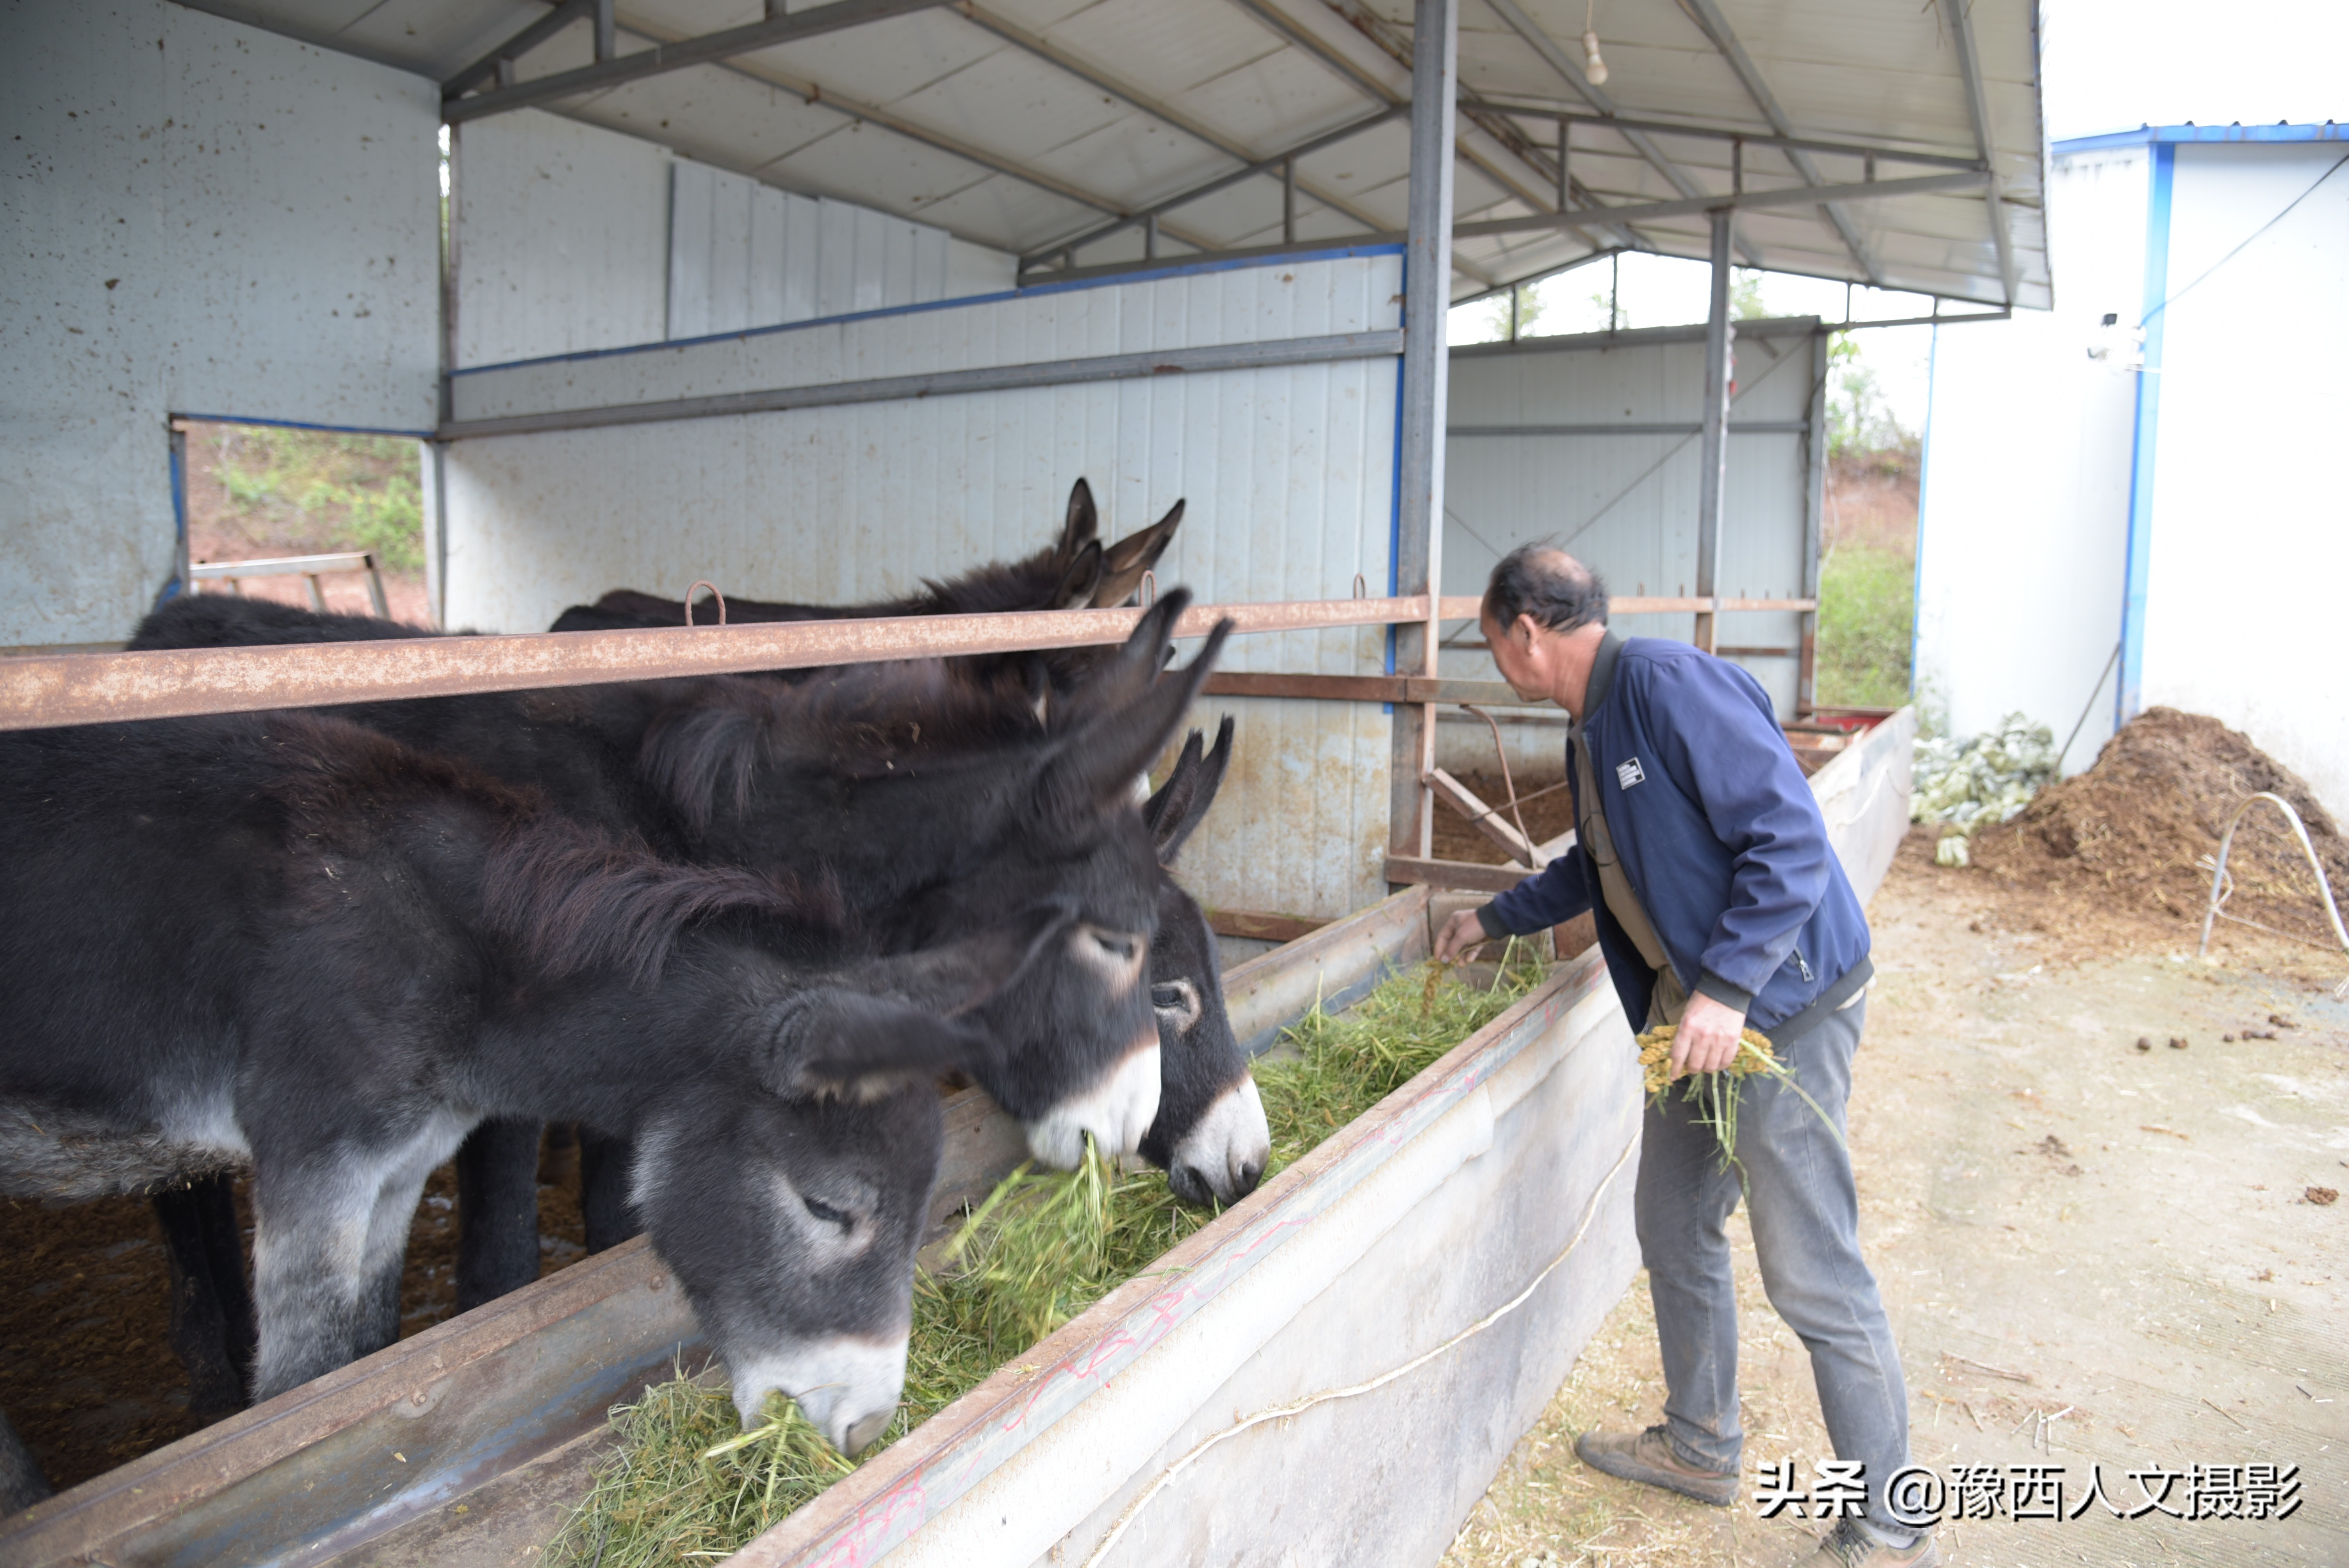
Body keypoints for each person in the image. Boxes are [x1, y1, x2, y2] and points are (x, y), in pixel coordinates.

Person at [1432, 545, 1932, 1568]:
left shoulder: (1662, 685)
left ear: (1525, 630)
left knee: (1810, 1268)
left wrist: (1729, 987)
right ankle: (1702, 1446)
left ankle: (1893, 1522)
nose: (1498, 667)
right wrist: (1493, 916)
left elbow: (1789, 839)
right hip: (1694, 1017)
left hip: (1777, 1011)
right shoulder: (1593, 724)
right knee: (1670, 1217)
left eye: (1492, 645)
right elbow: (1599, 861)